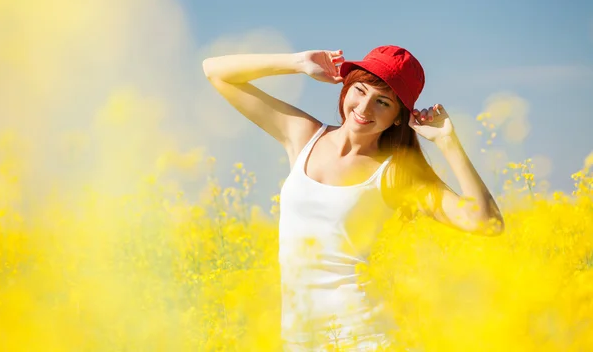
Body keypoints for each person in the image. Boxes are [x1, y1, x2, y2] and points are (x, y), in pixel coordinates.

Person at [202, 45, 504, 351]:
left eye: (382, 102)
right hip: (298, 339)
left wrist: (447, 141)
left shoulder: (396, 172)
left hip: (366, 339)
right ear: (345, 90)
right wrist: (298, 63)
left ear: (399, 117)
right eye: (359, 90)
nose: (364, 107)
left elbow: (486, 222)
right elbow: (215, 71)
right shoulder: (305, 136)